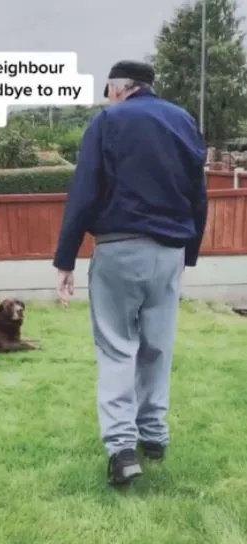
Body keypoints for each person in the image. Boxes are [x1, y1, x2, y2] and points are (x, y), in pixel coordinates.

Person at [53, 60, 207, 487]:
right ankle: (155, 438)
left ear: (121, 88)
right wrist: (186, 255)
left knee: (118, 348)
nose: (107, 98)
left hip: (118, 249)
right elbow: (199, 192)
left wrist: (65, 258)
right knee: (158, 346)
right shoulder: (184, 122)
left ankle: (122, 450)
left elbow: (83, 191)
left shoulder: (108, 122)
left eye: (108, 90)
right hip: (169, 252)